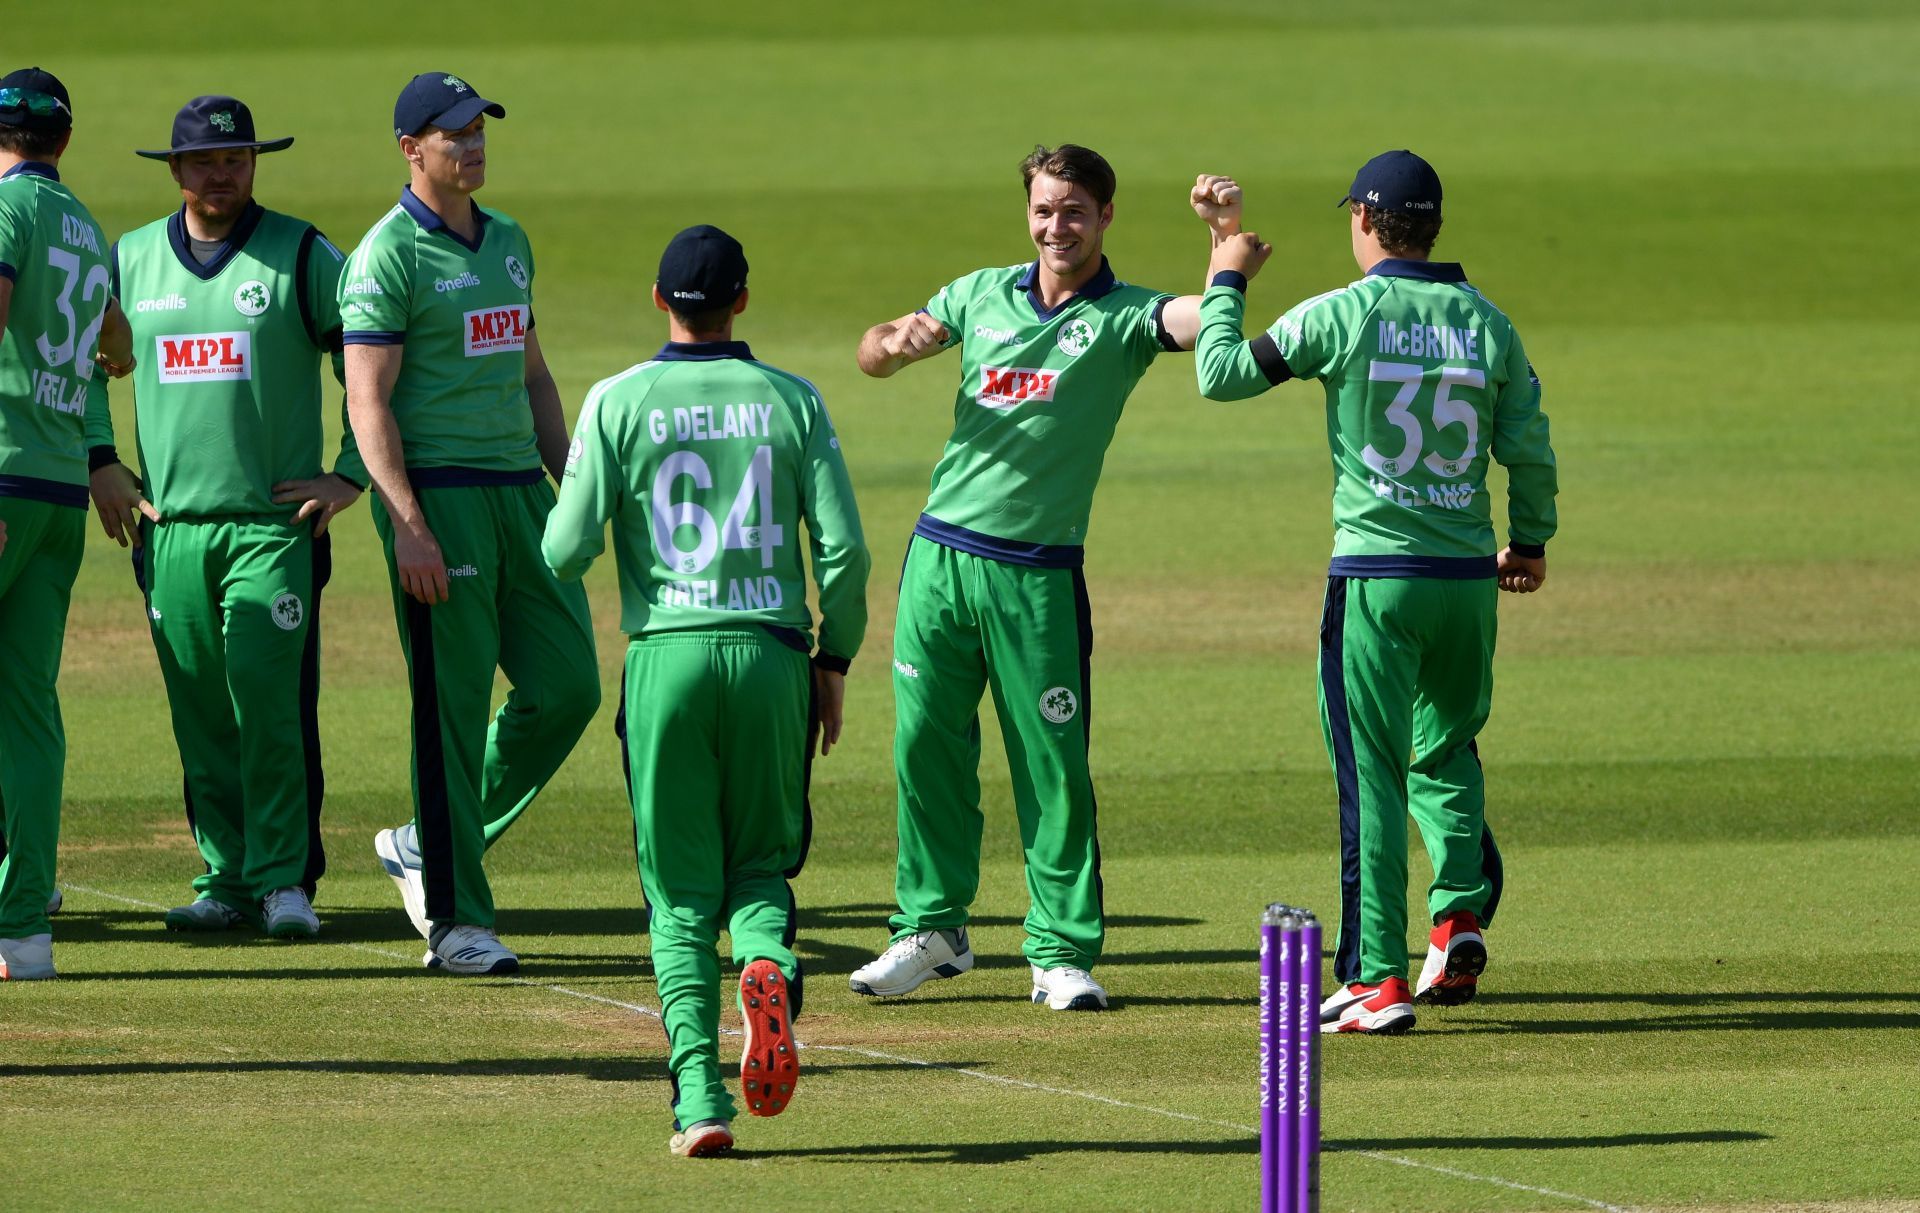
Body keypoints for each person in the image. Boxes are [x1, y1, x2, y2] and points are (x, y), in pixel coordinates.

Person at [849, 146, 1242, 1011]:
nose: (1055, 226)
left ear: (1105, 217)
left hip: (1037, 578)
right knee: (924, 748)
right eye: (1043, 210)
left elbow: (1194, 326)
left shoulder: (1122, 316)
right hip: (940, 558)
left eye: (1073, 211)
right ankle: (933, 930)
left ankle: (1060, 951)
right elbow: (874, 352)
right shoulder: (977, 292)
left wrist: (1223, 254)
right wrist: (891, 344)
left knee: (1050, 763)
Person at [1193, 150, 1558, 1034]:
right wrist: (1532, 542)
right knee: (1450, 748)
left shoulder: (1346, 312)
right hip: (1468, 580)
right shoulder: (1488, 322)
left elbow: (1222, 374)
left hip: (1377, 579)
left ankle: (1376, 977)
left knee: (1372, 775)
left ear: (1362, 218)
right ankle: (1459, 914)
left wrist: (1224, 273)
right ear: (1431, 225)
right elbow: (1530, 444)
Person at [544, 224, 869, 1157]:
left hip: (668, 658)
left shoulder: (617, 398)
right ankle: (765, 962)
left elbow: (565, 552)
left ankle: (699, 1100)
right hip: (770, 654)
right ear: (743, 299)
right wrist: (832, 658)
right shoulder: (792, 399)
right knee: (759, 868)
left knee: (679, 894)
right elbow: (845, 551)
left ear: (659, 302)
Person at [85, 95, 363, 940]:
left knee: (269, 704)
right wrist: (102, 460)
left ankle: (284, 881)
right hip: (170, 528)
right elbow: (80, 363)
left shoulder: (302, 252)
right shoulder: (129, 260)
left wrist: (351, 470)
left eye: (237, 158)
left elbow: (378, 356)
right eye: (206, 161)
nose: (222, 173)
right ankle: (227, 879)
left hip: (271, 526)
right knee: (200, 709)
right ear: (175, 170)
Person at [340, 71, 598, 975]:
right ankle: (454, 922)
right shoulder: (387, 256)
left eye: (480, 128)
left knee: (568, 686)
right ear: (412, 149)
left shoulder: (510, 240)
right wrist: (407, 523)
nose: (473, 144)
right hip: (439, 497)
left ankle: (425, 840)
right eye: (453, 133)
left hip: (520, 493)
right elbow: (366, 400)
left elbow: (533, 374)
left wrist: (572, 484)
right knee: (449, 711)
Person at [0, 67, 127, 980]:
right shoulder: (84, 222)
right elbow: (117, 346)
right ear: (65, 139)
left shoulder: (7, 210)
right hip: (52, 487)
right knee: (29, 710)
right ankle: (24, 935)